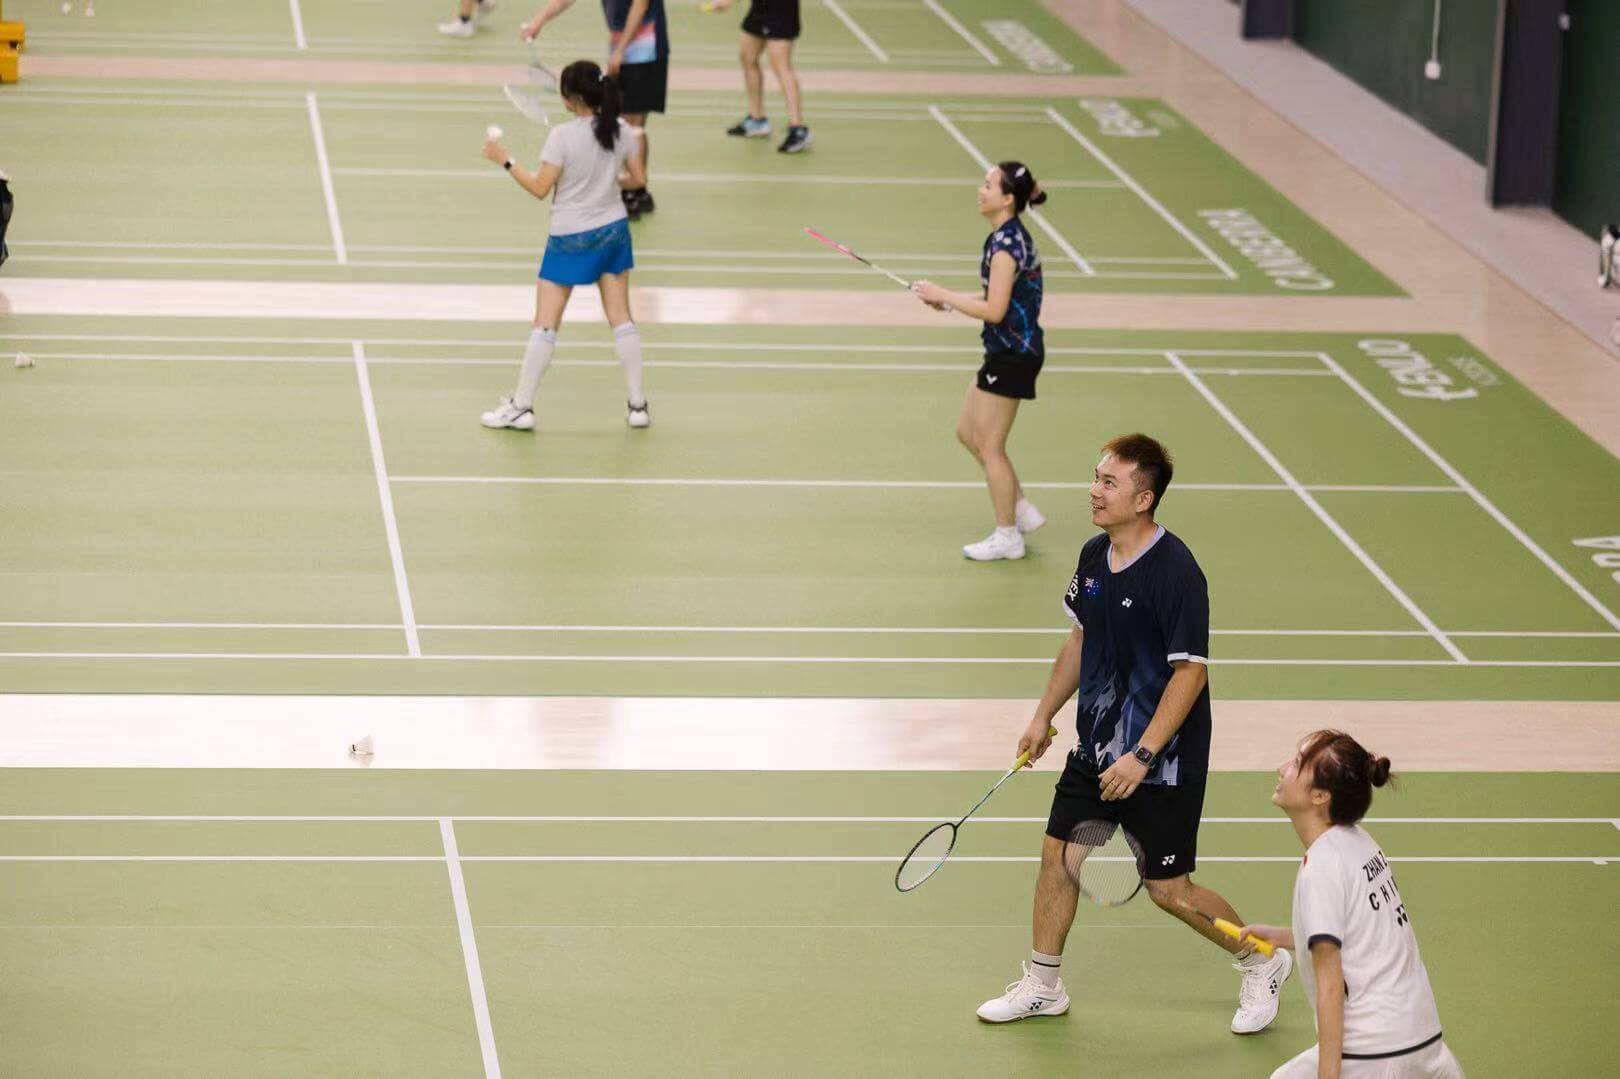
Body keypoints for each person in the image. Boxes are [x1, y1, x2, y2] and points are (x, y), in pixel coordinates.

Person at [975, 433, 1294, 1034]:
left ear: (1144, 498)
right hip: (1095, 745)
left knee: (1169, 890)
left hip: (1161, 759)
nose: (1094, 491)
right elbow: (1079, 639)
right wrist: (1043, 715)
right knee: (1057, 859)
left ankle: (1262, 959)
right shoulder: (1095, 556)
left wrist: (1143, 756)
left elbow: (1191, 672)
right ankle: (1044, 985)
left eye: (1109, 482)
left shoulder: (1176, 573)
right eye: (1096, 477)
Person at [1243, 732, 1465, 1079]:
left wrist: (1328, 1076)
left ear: (1319, 795)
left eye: (1297, 764)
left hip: (1376, 1053)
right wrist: (1286, 936)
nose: (1281, 768)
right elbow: (1365, 932)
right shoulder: (1361, 843)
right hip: (1424, 1040)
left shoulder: (1320, 867)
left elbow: (1331, 985)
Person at [479, 60, 651, 432]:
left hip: (570, 237)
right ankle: (638, 406)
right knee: (622, 318)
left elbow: (541, 188)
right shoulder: (622, 131)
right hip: (612, 232)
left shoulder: (561, 136)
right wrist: (605, 184)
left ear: (571, 99)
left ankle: (522, 407)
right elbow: (638, 179)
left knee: (545, 324)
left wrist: (504, 159)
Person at [912, 163, 1048, 562]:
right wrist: (947, 299)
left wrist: (945, 295)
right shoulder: (1007, 237)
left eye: (988, 185)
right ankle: (1021, 509)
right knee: (966, 432)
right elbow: (996, 296)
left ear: (1007, 198)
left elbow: (995, 308)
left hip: (1014, 355)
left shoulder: (1005, 247)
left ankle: (1008, 536)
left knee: (990, 445)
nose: (981, 190)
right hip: (1005, 351)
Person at [522, 0, 667, 219]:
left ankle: (635, 190)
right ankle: (635, 189)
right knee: (623, 118)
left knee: (633, 122)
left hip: (645, 46)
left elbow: (640, 5)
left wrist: (621, 49)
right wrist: (538, 21)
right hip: (622, 44)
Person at [708, 0, 812, 154]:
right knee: (747, 56)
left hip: (781, 6)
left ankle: (798, 129)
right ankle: (757, 121)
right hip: (762, 4)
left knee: (781, 64)